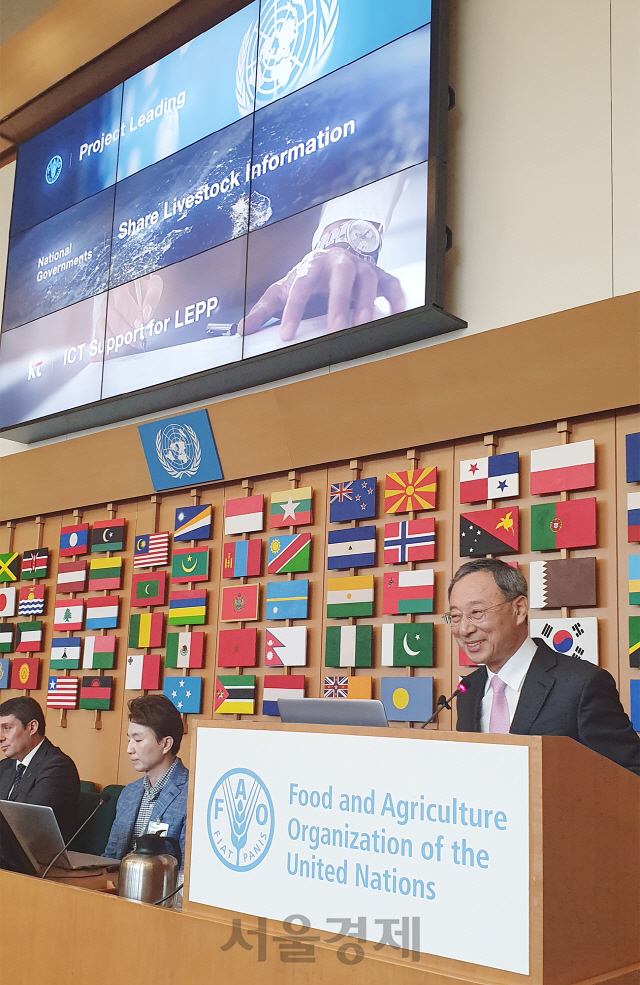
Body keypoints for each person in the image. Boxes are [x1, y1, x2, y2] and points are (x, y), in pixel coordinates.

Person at [446, 558, 640, 775]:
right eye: (455, 616)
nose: (464, 629)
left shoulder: (582, 684)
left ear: (519, 609)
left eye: (476, 613)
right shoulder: (468, 689)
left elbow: (629, 774)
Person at [104, 695, 188, 863]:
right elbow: (110, 858)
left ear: (166, 744)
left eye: (138, 739)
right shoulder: (129, 793)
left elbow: (187, 872)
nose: (129, 749)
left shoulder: (191, 795)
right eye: (129, 739)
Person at [0, 696, 80, 839]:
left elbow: (26, 824)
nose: (1, 737)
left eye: (7, 728)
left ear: (32, 727)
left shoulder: (58, 767)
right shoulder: (4, 766)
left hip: (39, 858)